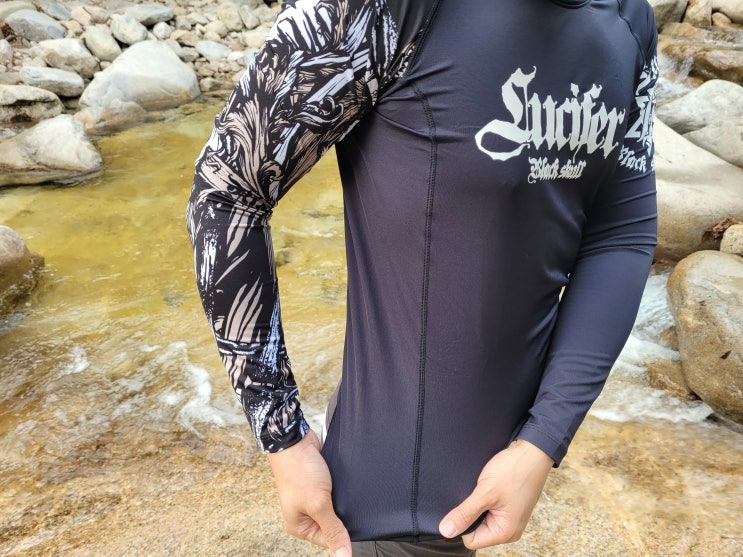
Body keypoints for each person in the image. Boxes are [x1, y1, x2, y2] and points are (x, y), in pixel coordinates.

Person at [186, 0, 658, 555]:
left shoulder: (630, 20)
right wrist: (282, 437)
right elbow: (226, 192)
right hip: (385, 517)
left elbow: (619, 234)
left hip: (506, 482)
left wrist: (543, 440)